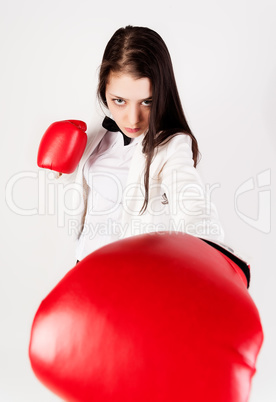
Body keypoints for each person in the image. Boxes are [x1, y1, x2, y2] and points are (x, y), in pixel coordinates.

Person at [38, 25, 249, 285]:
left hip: (131, 279)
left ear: (162, 94)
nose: (132, 118)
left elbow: (194, 206)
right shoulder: (95, 131)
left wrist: (217, 262)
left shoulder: (172, 146)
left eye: (147, 101)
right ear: (103, 89)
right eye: (119, 101)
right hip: (83, 268)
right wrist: (63, 169)